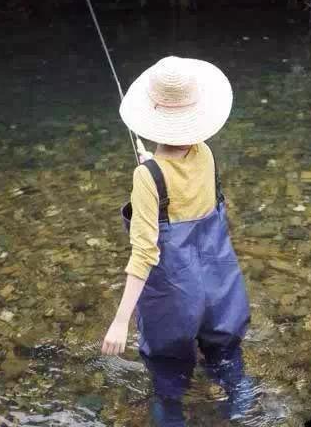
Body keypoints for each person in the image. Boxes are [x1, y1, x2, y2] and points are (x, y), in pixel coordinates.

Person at [102, 56, 252, 426]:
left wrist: (120, 321)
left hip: (174, 300)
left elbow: (144, 253)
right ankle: (242, 413)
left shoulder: (147, 176)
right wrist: (153, 164)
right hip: (222, 291)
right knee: (230, 366)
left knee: (168, 384)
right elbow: (180, 171)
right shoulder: (206, 154)